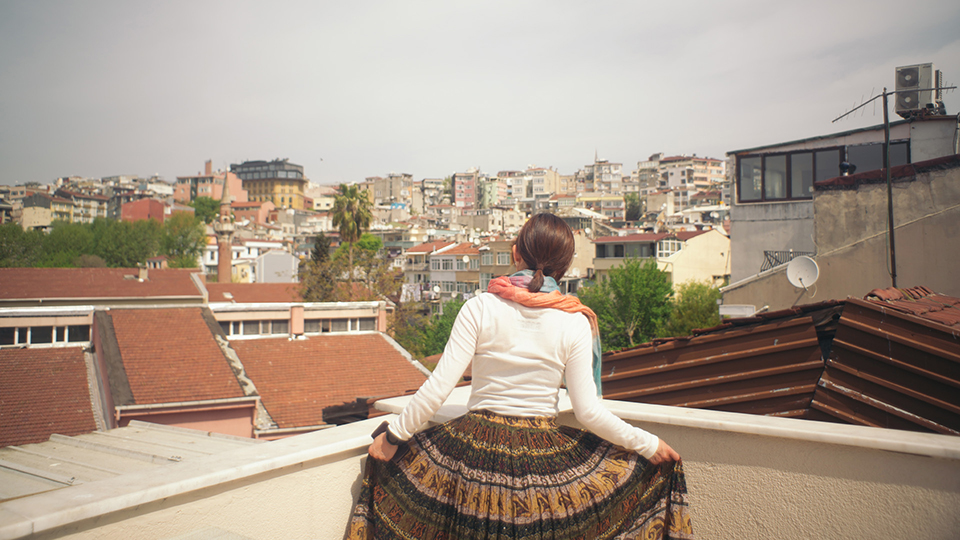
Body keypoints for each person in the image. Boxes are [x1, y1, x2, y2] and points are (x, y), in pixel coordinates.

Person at [347, 213, 694, 540]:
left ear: (515, 254)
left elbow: (438, 387)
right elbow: (588, 412)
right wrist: (649, 445)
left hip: (473, 459)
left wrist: (393, 436)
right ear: (567, 265)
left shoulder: (480, 307)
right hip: (542, 467)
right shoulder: (575, 321)